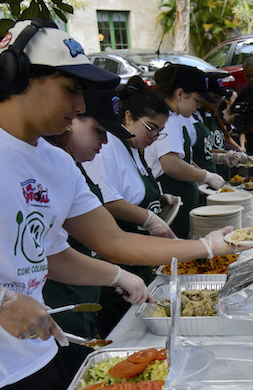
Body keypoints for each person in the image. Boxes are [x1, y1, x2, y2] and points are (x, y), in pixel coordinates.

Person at [0, 19, 235, 390]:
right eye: (72, 88)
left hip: (45, 358)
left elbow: (110, 241)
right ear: (18, 77)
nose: (81, 105)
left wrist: (207, 249)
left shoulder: (57, 164)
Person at [42, 85, 136, 375]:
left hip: (83, 300)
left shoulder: (70, 167)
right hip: (57, 306)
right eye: (98, 130)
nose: (105, 141)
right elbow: (108, 241)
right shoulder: (49, 165)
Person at [81, 76, 174, 334]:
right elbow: (107, 199)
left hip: (138, 258)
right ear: (129, 116)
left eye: (160, 131)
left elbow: (131, 189)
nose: (155, 136)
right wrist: (149, 219)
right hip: (117, 260)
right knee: (127, 332)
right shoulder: (107, 145)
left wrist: (160, 198)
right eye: (151, 128)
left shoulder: (132, 147)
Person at [144, 64, 225, 238]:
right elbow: (171, 164)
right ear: (180, 94)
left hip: (185, 201)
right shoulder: (169, 121)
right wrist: (206, 176)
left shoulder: (175, 118)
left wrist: (202, 175)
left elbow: (184, 159)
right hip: (174, 202)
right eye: (197, 99)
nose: (198, 105)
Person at [191, 75, 248, 191]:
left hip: (220, 174)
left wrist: (230, 154)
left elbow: (215, 145)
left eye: (220, 98)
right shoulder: (193, 121)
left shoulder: (215, 117)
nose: (218, 102)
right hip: (204, 180)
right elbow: (197, 153)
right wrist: (221, 157)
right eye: (215, 97)